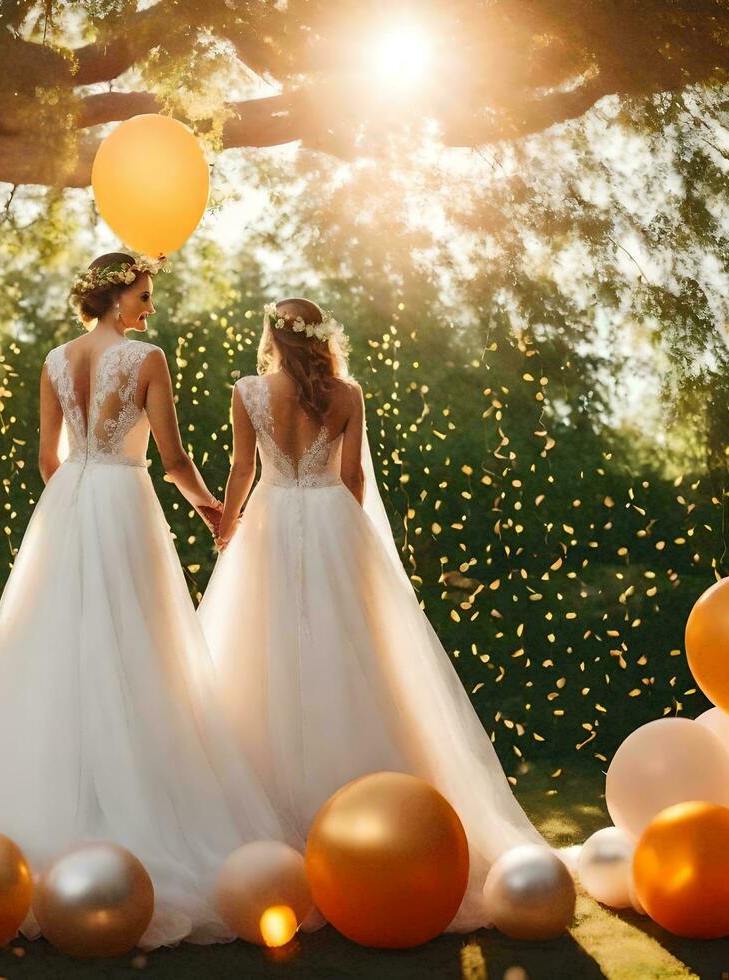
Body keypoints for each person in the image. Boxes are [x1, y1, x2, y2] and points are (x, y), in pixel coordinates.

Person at [0, 253, 287, 947]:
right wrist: (208, 509)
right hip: (122, 503)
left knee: (55, 653)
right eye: (143, 294)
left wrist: (73, 496)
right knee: (141, 654)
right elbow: (171, 458)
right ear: (115, 299)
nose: (149, 306)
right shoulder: (147, 358)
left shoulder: (54, 359)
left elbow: (47, 458)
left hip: (69, 506)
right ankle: (132, 815)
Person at [197, 298, 548, 931]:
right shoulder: (347, 393)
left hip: (270, 524)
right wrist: (353, 541)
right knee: (350, 663)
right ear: (320, 337)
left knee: (262, 657)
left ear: (273, 335)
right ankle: (374, 828)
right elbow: (355, 477)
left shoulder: (247, 391)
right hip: (333, 521)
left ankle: (273, 827)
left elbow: (241, 471)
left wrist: (226, 534)